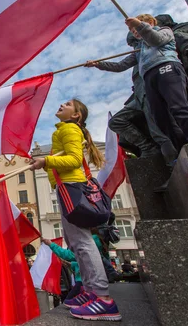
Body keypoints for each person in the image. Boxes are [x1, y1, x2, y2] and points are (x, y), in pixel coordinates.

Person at [30, 99, 121, 321]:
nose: (61, 104)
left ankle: (102, 298)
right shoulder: (66, 128)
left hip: (72, 188)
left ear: (76, 115)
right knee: (76, 244)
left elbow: (73, 160)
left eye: (69, 104)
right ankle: (90, 292)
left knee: (82, 243)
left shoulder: (69, 128)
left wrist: (46, 162)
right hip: (66, 188)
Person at [85, 32, 177, 164]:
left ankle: (172, 164)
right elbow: (119, 66)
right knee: (116, 121)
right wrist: (98, 64)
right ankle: (148, 147)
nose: (134, 46)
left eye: (134, 42)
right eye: (132, 45)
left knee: (158, 132)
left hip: (150, 93)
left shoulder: (158, 47)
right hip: (139, 97)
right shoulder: (138, 54)